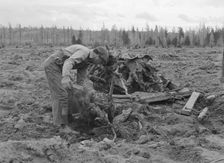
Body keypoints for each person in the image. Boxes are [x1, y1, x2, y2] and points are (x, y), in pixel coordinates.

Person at [43, 44, 109, 132]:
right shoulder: (84, 52)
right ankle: (61, 125)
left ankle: (69, 118)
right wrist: (65, 77)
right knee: (61, 94)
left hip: (60, 68)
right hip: (53, 66)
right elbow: (69, 62)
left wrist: (83, 93)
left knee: (71, 92)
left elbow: (81, 79)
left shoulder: (87, 62)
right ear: (96, 55)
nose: (99, 64)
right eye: (100, 61)